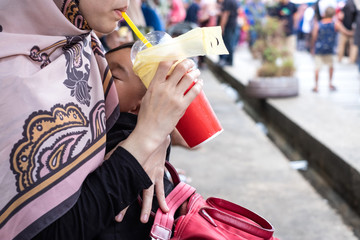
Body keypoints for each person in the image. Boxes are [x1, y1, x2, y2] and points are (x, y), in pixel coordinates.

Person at [0, 0, 202, 239]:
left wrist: (157, 137)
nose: (126, 2)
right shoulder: (12, 75)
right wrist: (147, 137)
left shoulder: (84, 43)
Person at [311, 6, 353, 93]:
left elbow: (314, 37)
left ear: (324, 14)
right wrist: (353, 33)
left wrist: (312, 48)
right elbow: (346, 32)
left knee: (317, 68)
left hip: (319, 49)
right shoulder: (336, 24)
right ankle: (330, 83)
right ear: (333, 14)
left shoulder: (318, 24)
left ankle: (316, 86)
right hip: (330, 49)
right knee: (331, 67)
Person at [218, 0, 240, 66]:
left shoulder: (227, 1)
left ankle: (226, 60)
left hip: (228, 25)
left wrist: (221, 27)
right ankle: (229, 60)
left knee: (227, 43)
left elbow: (225, 14)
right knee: (230, 43)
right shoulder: (233, 1)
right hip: (233, 24)